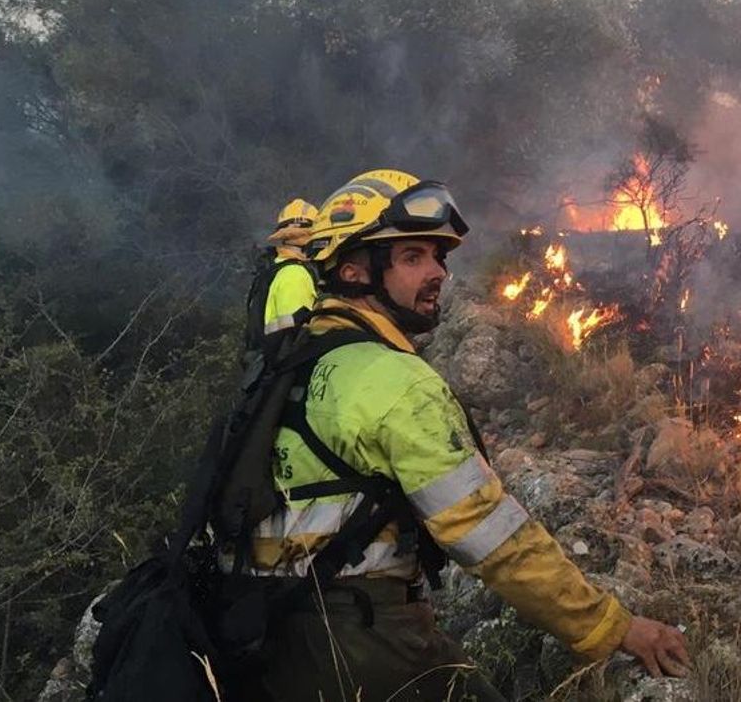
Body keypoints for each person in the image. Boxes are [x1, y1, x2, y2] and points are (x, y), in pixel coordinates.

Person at [228, 169, 689, 701]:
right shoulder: (393, 383)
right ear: (354, 271)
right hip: (357, 640)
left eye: (438, 257)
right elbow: (492, 537)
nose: (438, 272)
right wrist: (611, 626)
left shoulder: (296, 361)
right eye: (412, 257)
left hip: (267, 635)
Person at [243, 198, 319, 356]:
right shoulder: (295, 275)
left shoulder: (275, 269)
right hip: (288, 366)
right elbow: (295, 338)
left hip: (268, 362)